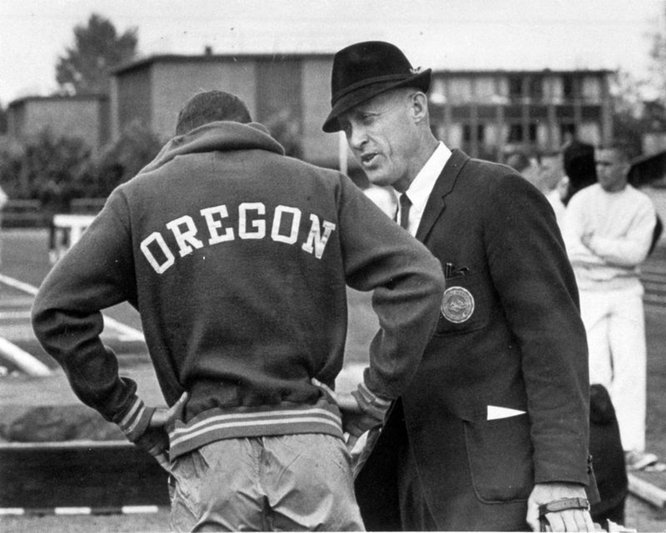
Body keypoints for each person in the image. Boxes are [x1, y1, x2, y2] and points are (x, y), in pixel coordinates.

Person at [31, 90, 446, 531]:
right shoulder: (323, 185)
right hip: (310, 443)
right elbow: (420, 276)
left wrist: (128, 411)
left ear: (177, 142)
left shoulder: (139, 198)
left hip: (209, 449)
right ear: (253, 131)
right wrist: (375, 393)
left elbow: (55, 309)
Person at [323, 41, 596, 531]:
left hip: (494, 490)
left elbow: (554, 341)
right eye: (347, 128)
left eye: (366, 118)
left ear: (417, 107)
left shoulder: (498, 195)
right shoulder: (396, 221)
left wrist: (563, 478)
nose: (356, 139)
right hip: (417, 486)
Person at [562, 142, 658, 471]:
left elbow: (635, 254)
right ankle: (599, 448)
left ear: (625, 167)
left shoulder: (641, 204)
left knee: (631, 369)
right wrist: (609, 255)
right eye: (598, 163)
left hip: (626, 292)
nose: (601, 169)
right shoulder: (581, 201)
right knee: (594, 369)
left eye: (608, 164)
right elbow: (571, 250)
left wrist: (595, 244)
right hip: (588, 292)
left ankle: (631, 447)